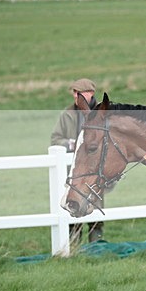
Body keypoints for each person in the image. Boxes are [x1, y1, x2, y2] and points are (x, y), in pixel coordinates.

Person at [51, 78, 104, 245]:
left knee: (95, 209)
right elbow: (55, 139)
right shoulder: (67, 114)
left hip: (95, 169)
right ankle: (74, 246)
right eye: (74, 92)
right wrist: (70, 143)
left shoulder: (102, 112)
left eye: (78, 92)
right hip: (74, 171)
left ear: (91, 94)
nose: (75, 95)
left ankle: (96, 246)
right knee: (73, 207)